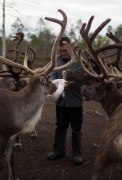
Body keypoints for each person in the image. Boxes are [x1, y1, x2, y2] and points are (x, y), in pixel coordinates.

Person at [46, 36, 84, 165]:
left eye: (65, 51)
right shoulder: (56, 61)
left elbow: (82, 78)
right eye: (60, 51)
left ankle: (77, 153)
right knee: (60, 124)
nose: (62, 53)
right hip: (61, 101)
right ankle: (58, 151)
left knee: (76, 127)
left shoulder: (79, 62)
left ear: (71, 48)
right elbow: (50, 73)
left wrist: (70, 84)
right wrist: (52, 81)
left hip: (74, 101)